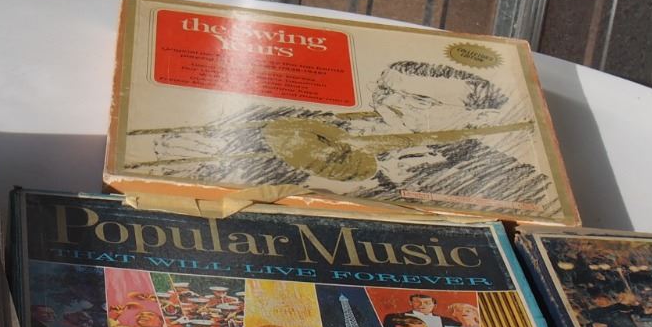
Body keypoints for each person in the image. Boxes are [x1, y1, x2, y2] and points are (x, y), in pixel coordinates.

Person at [129, 60, 559, 214]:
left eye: (420, 102)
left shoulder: (516, 182)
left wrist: (381, 187)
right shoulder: (295, 117)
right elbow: (164, 141)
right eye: (385, 91)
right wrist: (179, 148)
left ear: (475, 119)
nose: (389, 107)